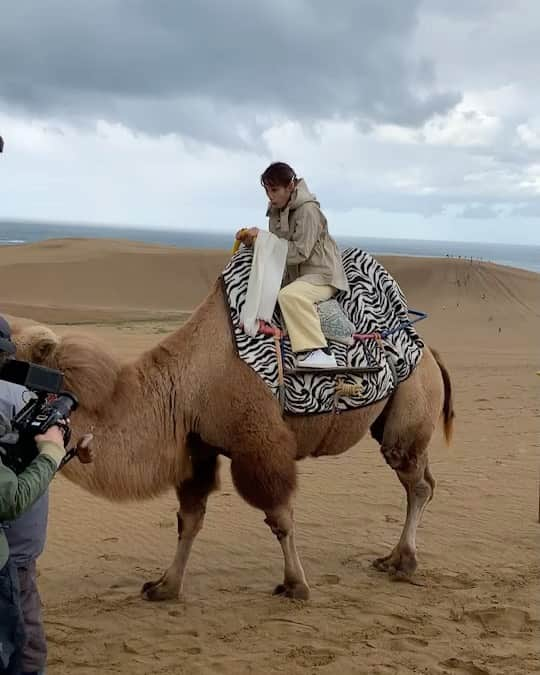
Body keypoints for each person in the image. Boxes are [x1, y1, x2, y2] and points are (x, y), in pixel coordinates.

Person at [0, 316, 71, 675]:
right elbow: (10, 497)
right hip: (12, 553)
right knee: (24, 648)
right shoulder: (16, 397)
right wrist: (54, 452)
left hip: (16, 550)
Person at [236, 162, 349, 368]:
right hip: (295, 277)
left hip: (321, 275)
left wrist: (262, 239)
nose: (270, 196)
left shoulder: (308, 211)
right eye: (267, 191)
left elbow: (300, 252)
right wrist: (254, 242)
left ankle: (318, 351)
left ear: (290, 186)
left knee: (289, 296)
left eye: (275, 190)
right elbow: (276, 246)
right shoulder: (275, 211)